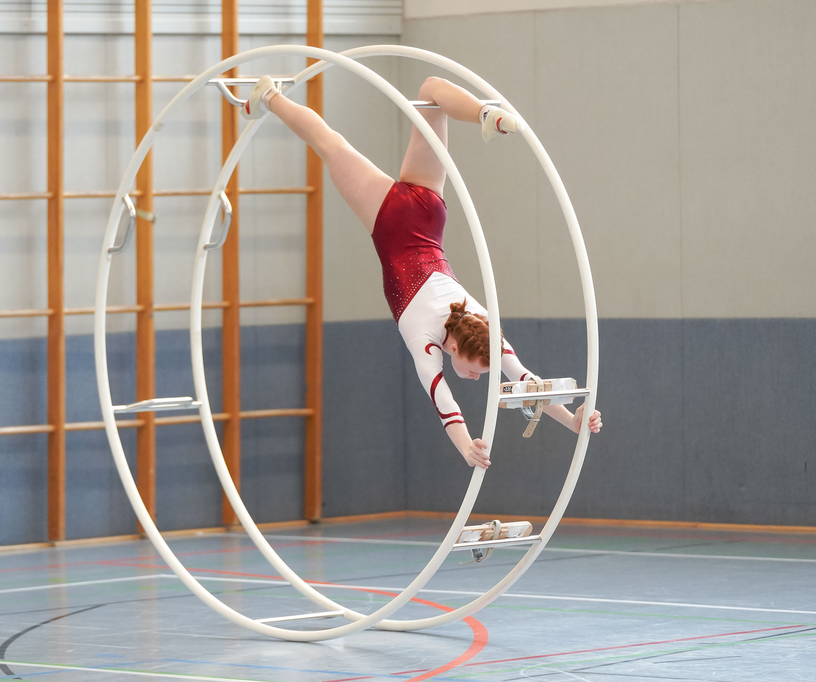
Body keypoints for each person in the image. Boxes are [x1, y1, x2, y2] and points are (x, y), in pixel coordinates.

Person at [243, 75, 602, 469]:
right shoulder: (426, 341)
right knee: (330, 144)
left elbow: (527, 383)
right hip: (392, 221)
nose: (477, 377)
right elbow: (446, 401)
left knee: (430, 91)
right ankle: (270, 96)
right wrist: (466, 445)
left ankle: (485, 113)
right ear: (453, 350)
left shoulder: (484, 326)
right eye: (474, 369)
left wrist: (573, 421)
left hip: (431, 213)